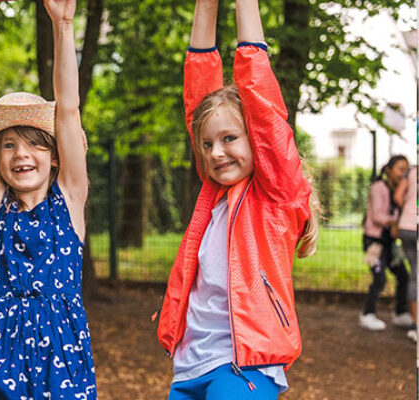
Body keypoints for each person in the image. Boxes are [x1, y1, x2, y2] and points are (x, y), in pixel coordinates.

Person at [156, 1, 320, 398]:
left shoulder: (276, 193)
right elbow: (198, 98)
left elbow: (261, 100)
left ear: (257, 141)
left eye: (230, 139)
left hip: (244, 364)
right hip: (190, 366)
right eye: (208, 144)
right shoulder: (213, 195)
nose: (215, 153)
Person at [0, 0, 96, 397]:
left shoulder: (70, 198)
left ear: (56, 156)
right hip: (1, 349)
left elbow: (67, 109)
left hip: (62, 357)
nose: (21, 155)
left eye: (34, 145)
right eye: (8, 145)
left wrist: (63, 24)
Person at [359, 155, 411, 331]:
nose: (403, 174)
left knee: (403, 275)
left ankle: (401, 313)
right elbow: (377, 216)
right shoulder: (378, 188)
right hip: (374, 242)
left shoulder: (400, 191)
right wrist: (394, 223)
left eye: (406, 170)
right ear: (389, 169)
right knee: (379, 277)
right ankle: (367, 314)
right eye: (400, 169)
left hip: (390, 243)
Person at [394, 165, 417, 341]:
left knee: (414, 275)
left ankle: (415, 323)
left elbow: (398, 196)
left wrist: (410, 210)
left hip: (407, 227)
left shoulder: (411, 171)